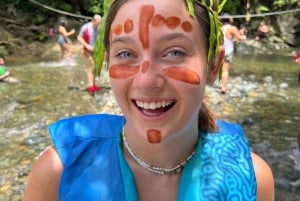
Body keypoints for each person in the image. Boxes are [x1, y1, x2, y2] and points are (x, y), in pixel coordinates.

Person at [23, 0, 274, 201]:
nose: (146, 81)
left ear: (213, 65)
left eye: (174, 52)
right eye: (125, 53)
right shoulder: (57, 173)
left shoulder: (251, 179)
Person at [220, 15, 246, 94]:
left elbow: (228, 38)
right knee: (225, 70)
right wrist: (243, 35)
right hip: (227, 52)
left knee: (216, 68)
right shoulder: (232, 28)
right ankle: (223, 88)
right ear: (229, 19)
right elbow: (240, 38)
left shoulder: (219, 28)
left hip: (219, 51)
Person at [77, 14, 102, 96]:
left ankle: (93, 84)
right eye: (97, 23)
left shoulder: (99, 28)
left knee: (95, 68)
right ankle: (90, 86)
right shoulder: (85, 27)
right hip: (87, 50)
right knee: (91, 67)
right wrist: (86, 45)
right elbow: (79, 37)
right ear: (93, 21)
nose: (98, 25)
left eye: (99, 23)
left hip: (96, 51)